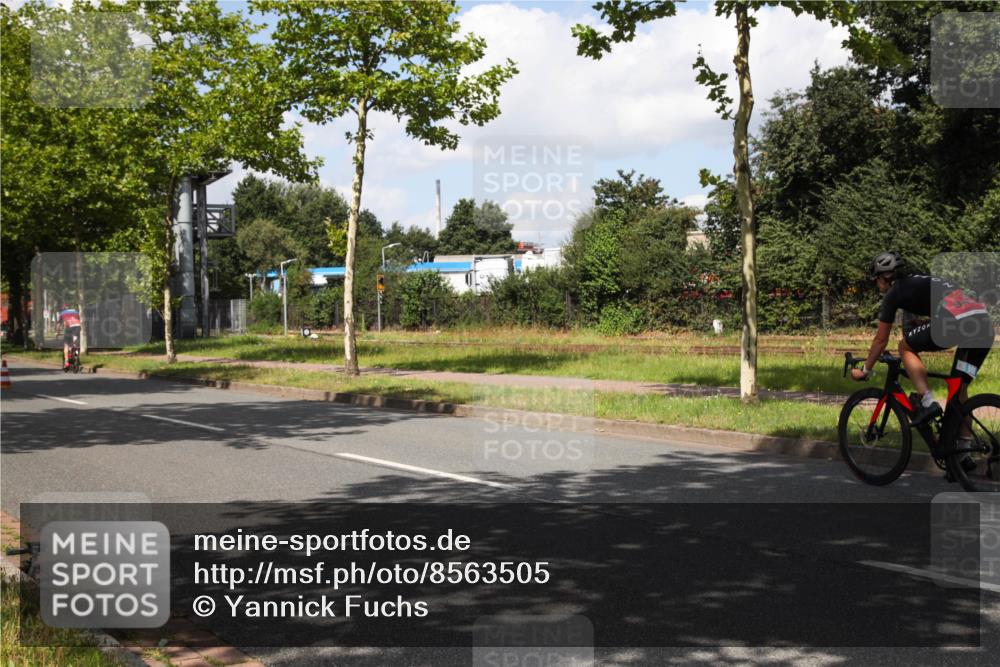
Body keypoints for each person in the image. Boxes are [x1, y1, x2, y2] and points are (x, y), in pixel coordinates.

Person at [852, 252, 994, 440]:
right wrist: (926, 324)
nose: (877, 285)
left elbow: (880, 340)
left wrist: (865, 370)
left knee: (905, 347)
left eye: (876, 280)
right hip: (982, 327)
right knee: (960, 393)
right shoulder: (921, 280)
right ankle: (962, 456)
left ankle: (928, 401)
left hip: (955, 324)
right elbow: (950, 304)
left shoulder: (894, 293)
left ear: (884, 277)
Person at [56, 303, 81, 369]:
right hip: (77, 327)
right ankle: (76, 357)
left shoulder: (62, 313)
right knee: (75, 343)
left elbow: (58, 325)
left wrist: (58, 332)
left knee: (66, 344)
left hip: (69, 328)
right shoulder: (76, 311)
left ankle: (66, 362)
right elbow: (79, 320)